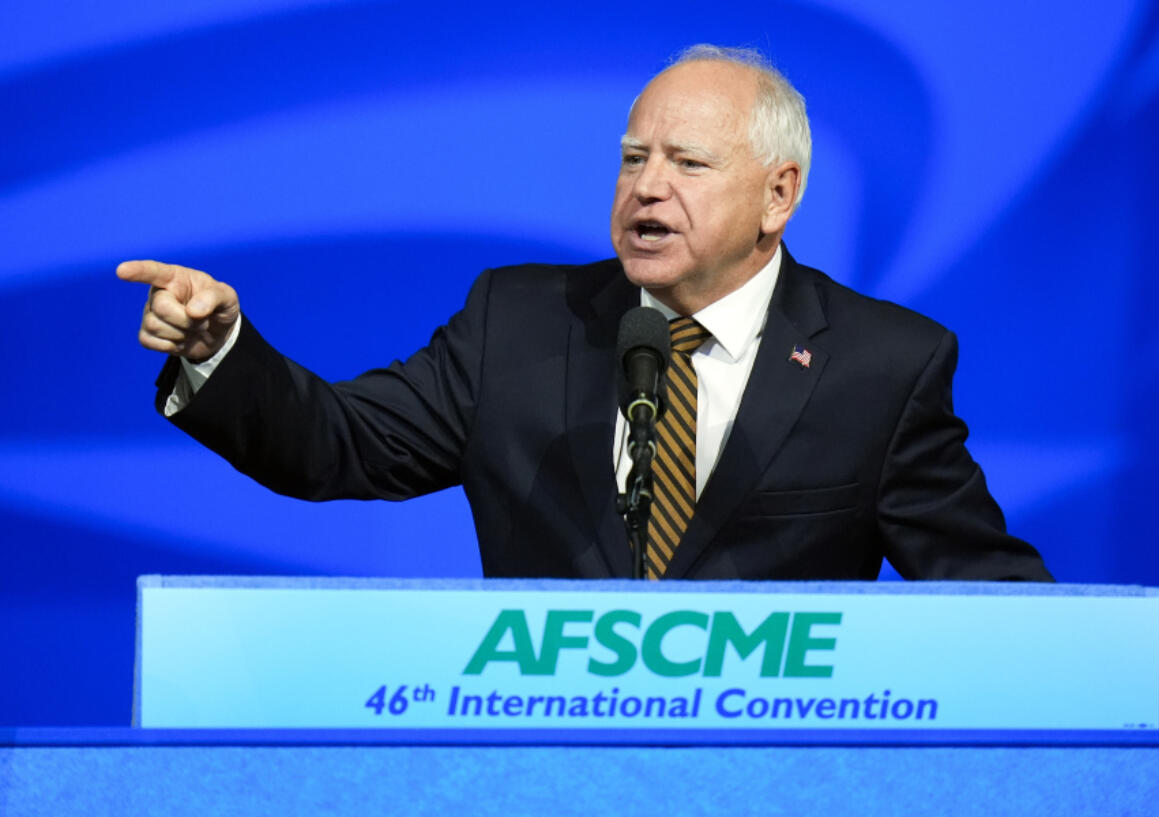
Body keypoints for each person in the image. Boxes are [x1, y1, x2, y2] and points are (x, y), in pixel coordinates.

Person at [117, 45, 1052, 582]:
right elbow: (334, 444)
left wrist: (1125, 719)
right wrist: (221, 351)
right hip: (541, 769)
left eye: (687, 164)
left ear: (779, 194)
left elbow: (982, 585)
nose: (646, 189)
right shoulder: (517, 320)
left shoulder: (883, 362)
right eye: (632, 157)